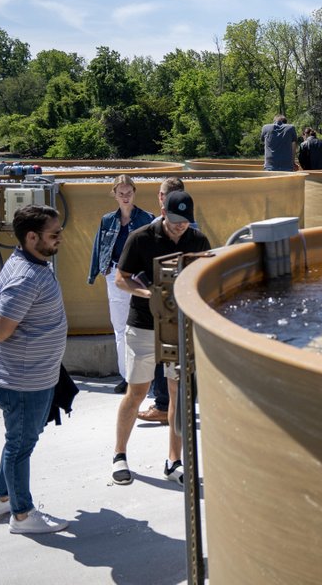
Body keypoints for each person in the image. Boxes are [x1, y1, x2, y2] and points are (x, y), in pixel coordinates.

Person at [112, 191, 212, 487]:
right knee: (137, 393)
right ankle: (119, 454)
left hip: (179, 327)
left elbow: (207, 277)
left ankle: (174, 461)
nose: (181, 226)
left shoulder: (198, 240)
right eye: (176, 220)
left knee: (178, 393)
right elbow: (121, 278)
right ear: (163, 211)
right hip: (143, 325)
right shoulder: (141, 238)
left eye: (186, 221)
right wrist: (151, 294)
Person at [0, 204, 71, 533]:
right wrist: (2, 320)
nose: (60, 238)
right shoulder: (26, 277)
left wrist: (7, 316)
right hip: (22, 381)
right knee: (21, 446)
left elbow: (11, 315)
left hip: (30, 376)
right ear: (31, 237)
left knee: (17, 440)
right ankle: (22, 515)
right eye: (54, 234)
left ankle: (2, 497)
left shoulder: (24, 262)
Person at [88, 175, 156, 394]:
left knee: (144, 327)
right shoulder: (107, 220)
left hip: (140, 276)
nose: (125, 197)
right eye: (121, 193)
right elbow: (98, 247)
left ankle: (148, 378)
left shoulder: (147, 218)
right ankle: (126, 377)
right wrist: (94, 274)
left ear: (134, 192)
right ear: (115, 195)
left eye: (128, 193)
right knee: (120, 328)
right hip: (115, 275)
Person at [138, 177, 188, 425]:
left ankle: (163, 406)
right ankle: (172, 404)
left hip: (167, 300)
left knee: (165, 355)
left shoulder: (162, 227)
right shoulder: (190, 225)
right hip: (180, 299)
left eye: (161, 194)